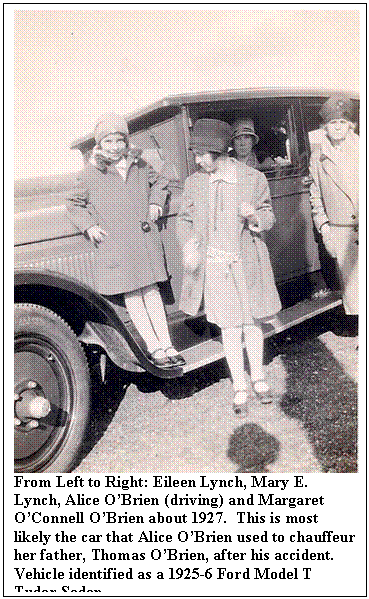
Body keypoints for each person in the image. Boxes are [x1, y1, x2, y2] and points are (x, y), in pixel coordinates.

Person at [176, 118, 281, 415]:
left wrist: (254, 217)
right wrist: (191, 245)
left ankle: (258, 379)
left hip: (247, 263)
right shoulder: (195, 183)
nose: (197, 160)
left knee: (252, 323)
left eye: (200, 154)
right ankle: (239, 386)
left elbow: (268, 215)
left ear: (218, 152)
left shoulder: (252, 178)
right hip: (215, 267)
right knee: (230, 328)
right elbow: (184, 221)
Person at [66, 113, 185, 368]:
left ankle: (167, 344)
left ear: (126, 142)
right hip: (117, 245)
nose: (115, 146)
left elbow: (161, 182)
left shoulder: (140, 164)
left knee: (152, 291)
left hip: (143, 242)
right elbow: (74, 203)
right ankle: (154, 348)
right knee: (134, 295)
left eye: (119, 140)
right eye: (108, 141)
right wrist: (89, 226)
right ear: (99, 145)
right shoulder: (90, 173)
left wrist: (155, 202)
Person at [309, 96, 359, 332]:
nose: (337, 126)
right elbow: (316, 198)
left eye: (342, 121)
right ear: (325, 127)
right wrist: (325, 229)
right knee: (355, 288)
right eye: (332, 122)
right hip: (342, 233)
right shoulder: (318, 157)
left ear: (350, 125)